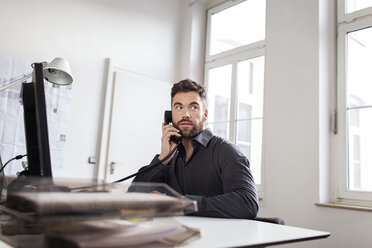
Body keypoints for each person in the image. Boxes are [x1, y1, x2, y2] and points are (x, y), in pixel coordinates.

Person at [133, 79, 258, 219]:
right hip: (179, 234)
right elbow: (133, 196)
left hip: (220, 237)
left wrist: (181, 203)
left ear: (205, 114)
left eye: (193, 107)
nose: (185, 114)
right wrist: (162, 159)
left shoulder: (226, 152)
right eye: (179, 107)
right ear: (170, 115)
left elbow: (247, 203)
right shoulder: (169, 157)